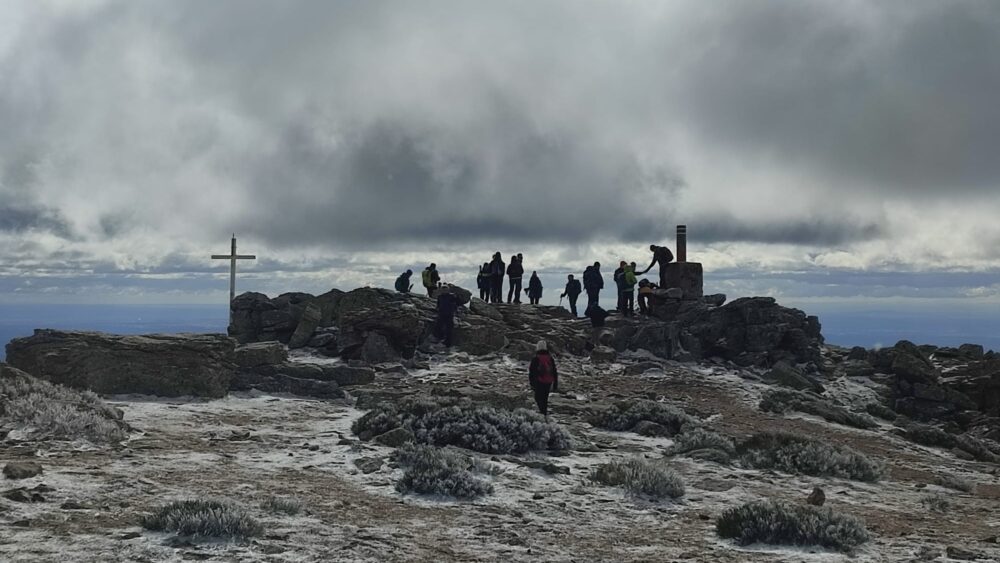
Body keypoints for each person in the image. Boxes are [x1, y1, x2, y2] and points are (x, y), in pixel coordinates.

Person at [528, 340, 558, 419]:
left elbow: (532, 372)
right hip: (548, 381)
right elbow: (554, 371)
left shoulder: (536, 358)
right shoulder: (550, 358)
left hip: (539, 381)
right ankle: (544, 414)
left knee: (538, 398)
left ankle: (542, 414)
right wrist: (555, 384)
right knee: (545, 399)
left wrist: (532, 383)